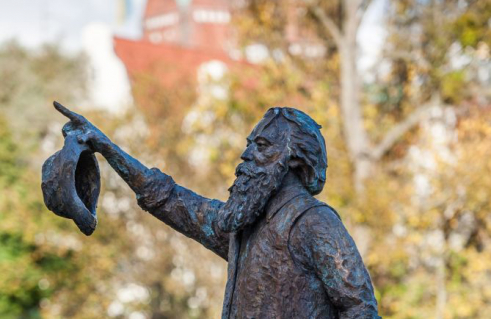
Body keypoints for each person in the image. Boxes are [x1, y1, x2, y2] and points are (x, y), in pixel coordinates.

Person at [55, 102, 381, 319]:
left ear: (294, 161)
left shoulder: (313, 223)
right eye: (250, 143)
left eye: (262, 146)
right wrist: (106, 147)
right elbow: (169, 198)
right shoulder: (242, 228)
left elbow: (361, 309)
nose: (246, 154)